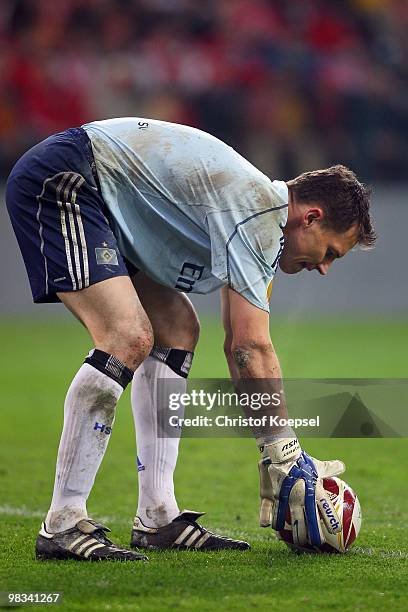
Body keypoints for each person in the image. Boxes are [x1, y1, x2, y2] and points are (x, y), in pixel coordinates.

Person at [5, 117, 375, 561]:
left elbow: (236, 345)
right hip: (68, 178)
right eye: (331, 251)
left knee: (178, 329)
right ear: (311, 217)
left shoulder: (260, 215)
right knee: (127, 337)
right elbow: (249, 347)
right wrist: (284, 454)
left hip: (105, 196)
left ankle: (157, 515)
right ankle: (62, 523)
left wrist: (277, 449)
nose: (324, 267)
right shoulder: (260, 217)